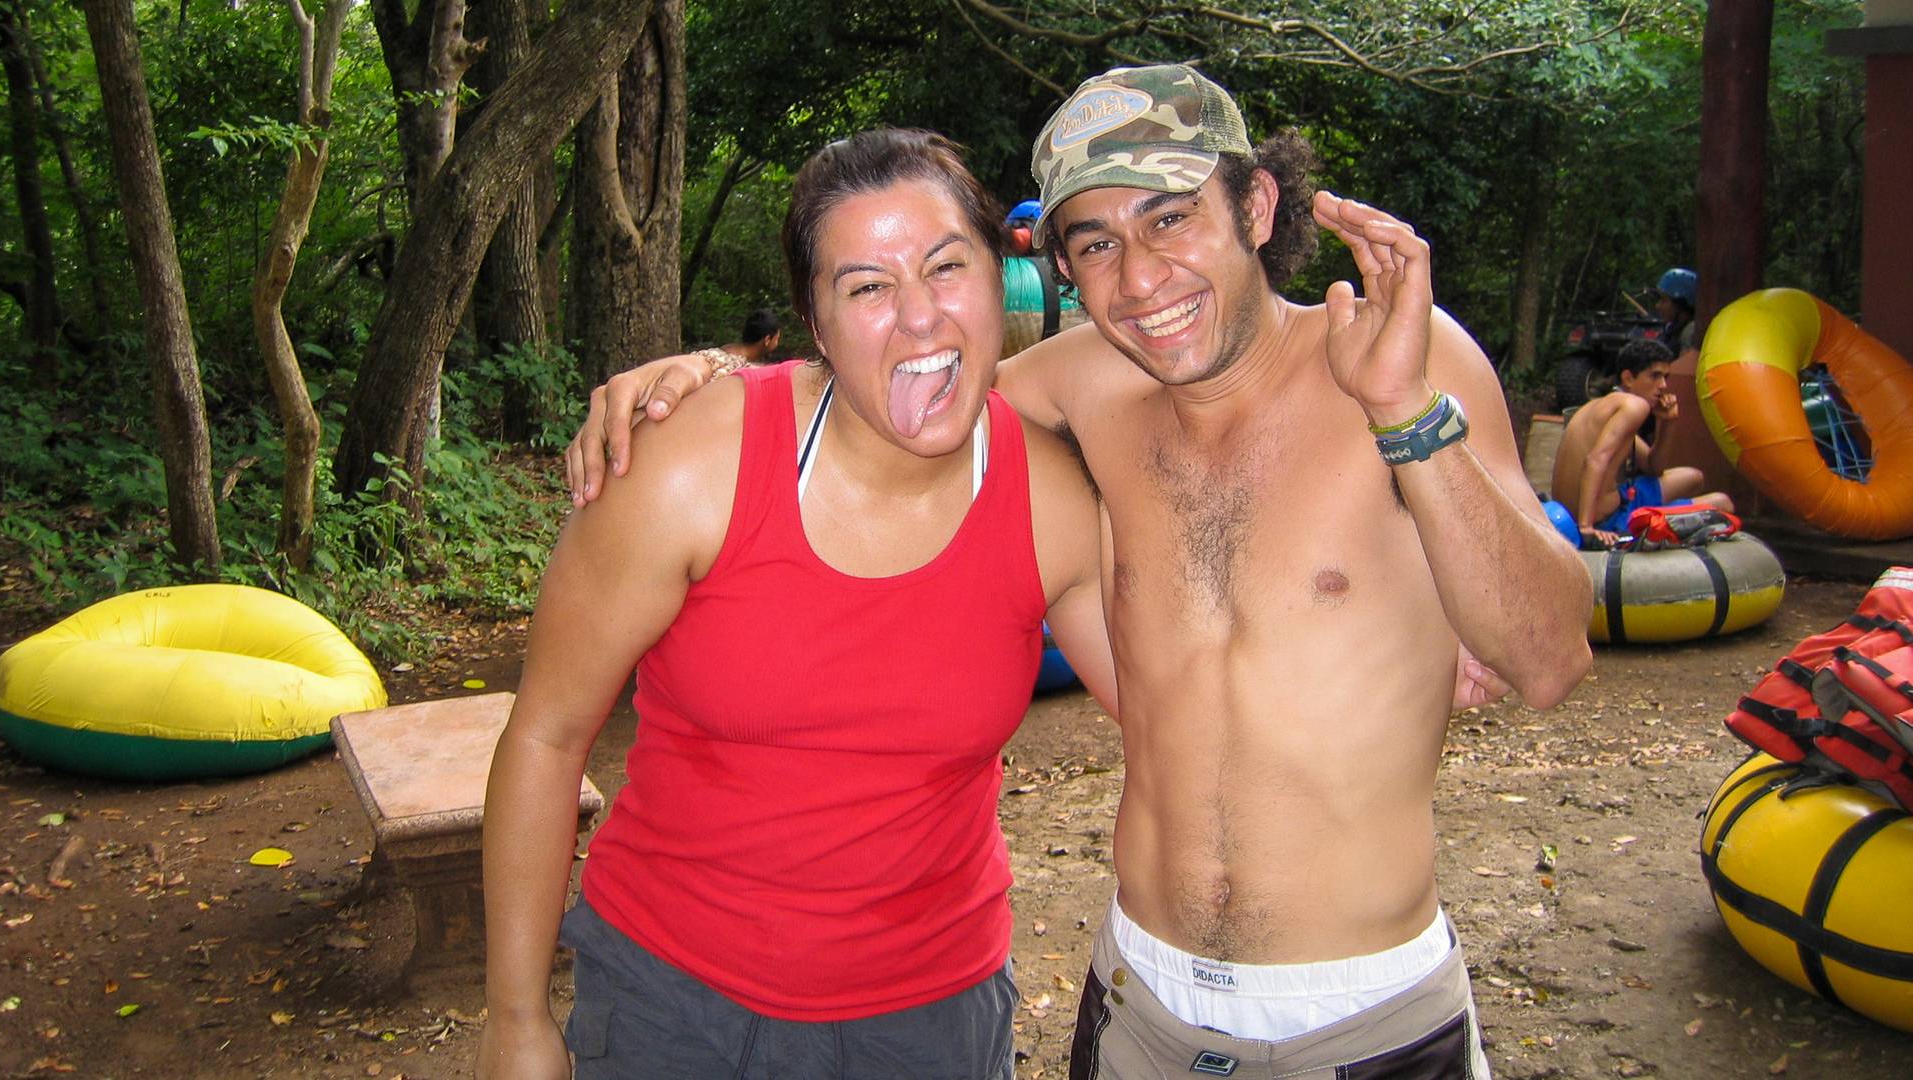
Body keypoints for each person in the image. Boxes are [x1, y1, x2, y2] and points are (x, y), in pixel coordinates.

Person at [570, 65, 1592, 1078]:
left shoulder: (1400, 362)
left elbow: (1546, 660)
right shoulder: (1081, 387)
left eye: (1172, 219)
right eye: (1096, 243)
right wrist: (703, 378)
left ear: (1258, 204)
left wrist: (1409, 414)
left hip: (1365, 1009)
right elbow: (894, 382)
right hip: (1142, 1001)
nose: (1140, 278)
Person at [475, 129, 1118, 1080]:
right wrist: (515, 1018)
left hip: (934, 1020)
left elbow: (1176, 721)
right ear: (814, 325)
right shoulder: (690, 466)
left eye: (947, 266)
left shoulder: (1055, 500)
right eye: (866, 287)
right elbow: (545, 735)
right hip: (678, 1006)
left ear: (1004, 279)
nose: (920, 319)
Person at [1551, 338, 1736, 548]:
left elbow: (1653, 467)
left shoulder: (1600, 405)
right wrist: (1586, 527)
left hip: (1617, 500)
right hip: (1608, 520)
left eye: (1666, 377)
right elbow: (1595, 459)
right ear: (1628, 378)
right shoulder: (1635, 406)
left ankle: (1670, 511)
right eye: (1654, 376)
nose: (1663, 386)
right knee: (1723, 503)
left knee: (1694, 478)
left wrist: (1667, 423)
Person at [693, 306, 784, 378]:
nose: (777, 343)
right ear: (767, 340)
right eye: (777, 338)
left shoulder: (725, 350)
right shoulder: (740, 367)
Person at [1653, 267, 1699, 364]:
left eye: (1663, 300)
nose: (1657, 306)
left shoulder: (1690, 332)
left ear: (1680, 304)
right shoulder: (1671, 328)